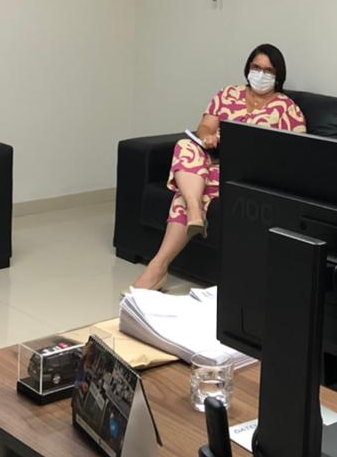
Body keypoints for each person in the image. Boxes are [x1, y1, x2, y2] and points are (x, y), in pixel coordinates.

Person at [131, 43, 306, 290]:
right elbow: (204, 127)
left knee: (184, 193)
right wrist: (208, 138)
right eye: (256, 67)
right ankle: (195, 211)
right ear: (247, 68)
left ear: (278, 76)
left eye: (269, 70)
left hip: (245, 172)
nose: (261, 74)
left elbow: (296, 153)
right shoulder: (228, 94)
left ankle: (157, 268)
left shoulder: (288, 109)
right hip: (210, 160)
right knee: (185, 145)